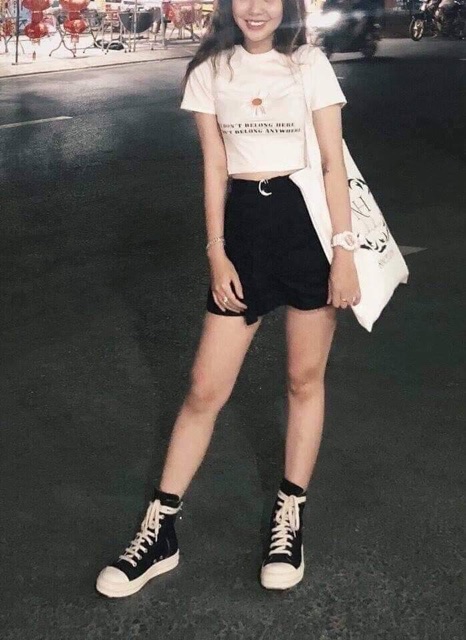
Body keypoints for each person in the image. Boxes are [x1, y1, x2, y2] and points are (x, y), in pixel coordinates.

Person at [96, 0, 360, 598]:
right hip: (243, 231)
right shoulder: (209, 71)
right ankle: (160, 530)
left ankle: (289, 516)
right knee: (203, 388)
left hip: (307, 230)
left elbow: (332, 163)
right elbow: (214, 166)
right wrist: (217, 252)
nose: (256, 8)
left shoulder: (309, 64)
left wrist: (344, 252)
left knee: (303, 379)